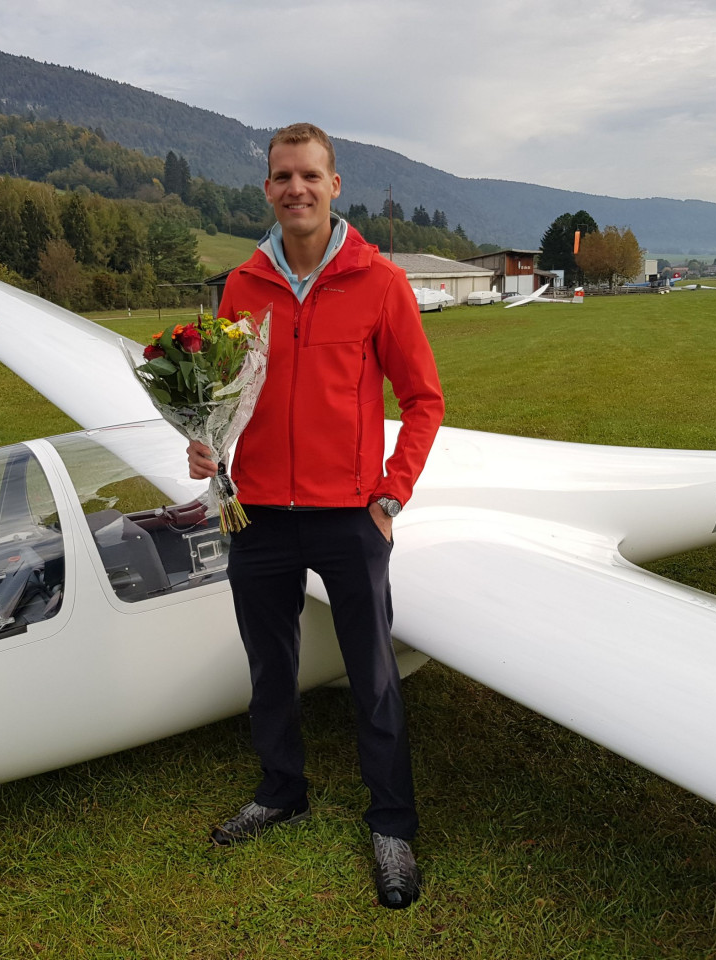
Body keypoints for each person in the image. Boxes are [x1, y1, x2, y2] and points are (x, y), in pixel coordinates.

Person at [188, 122, 444, 909]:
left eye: (309, 175)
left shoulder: (380, 283)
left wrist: (391, 493)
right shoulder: (242, 286)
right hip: (258, 513)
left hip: (349, 516)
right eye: (282, 176)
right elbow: (227, 395)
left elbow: (424, 400)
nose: (295, 188)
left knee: (373, 676)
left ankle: (391, 823)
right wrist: (207, 445)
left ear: (335, 185)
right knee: (270, 668)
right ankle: (282, 790)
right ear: (267, 188)